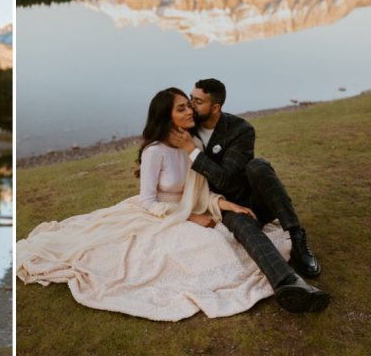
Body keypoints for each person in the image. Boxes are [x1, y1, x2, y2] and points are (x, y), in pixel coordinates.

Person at [16, 88, 299, 321]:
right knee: (177, 254)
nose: (190, 112)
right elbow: (147, 200)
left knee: (225, 245)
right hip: (158, 213)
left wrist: (227, 205)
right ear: (167, 117)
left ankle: (283, 274)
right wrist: (188, 218)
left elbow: (199, 193)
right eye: (181, 109)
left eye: (190, 106)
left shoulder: (193, 148)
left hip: (190, 209)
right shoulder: (155, 152)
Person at [168, 78, 329, 312]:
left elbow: (227, 179)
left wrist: (192, 151)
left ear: (216, 107)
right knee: (245, 230)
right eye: (190, 99)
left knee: (258, 165)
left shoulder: (241, 130)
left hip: (254, 197)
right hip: (227, 205)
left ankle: (297, 238)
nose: (191, 106)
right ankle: (290, 284)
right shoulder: (187, 128)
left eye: (198, 101)